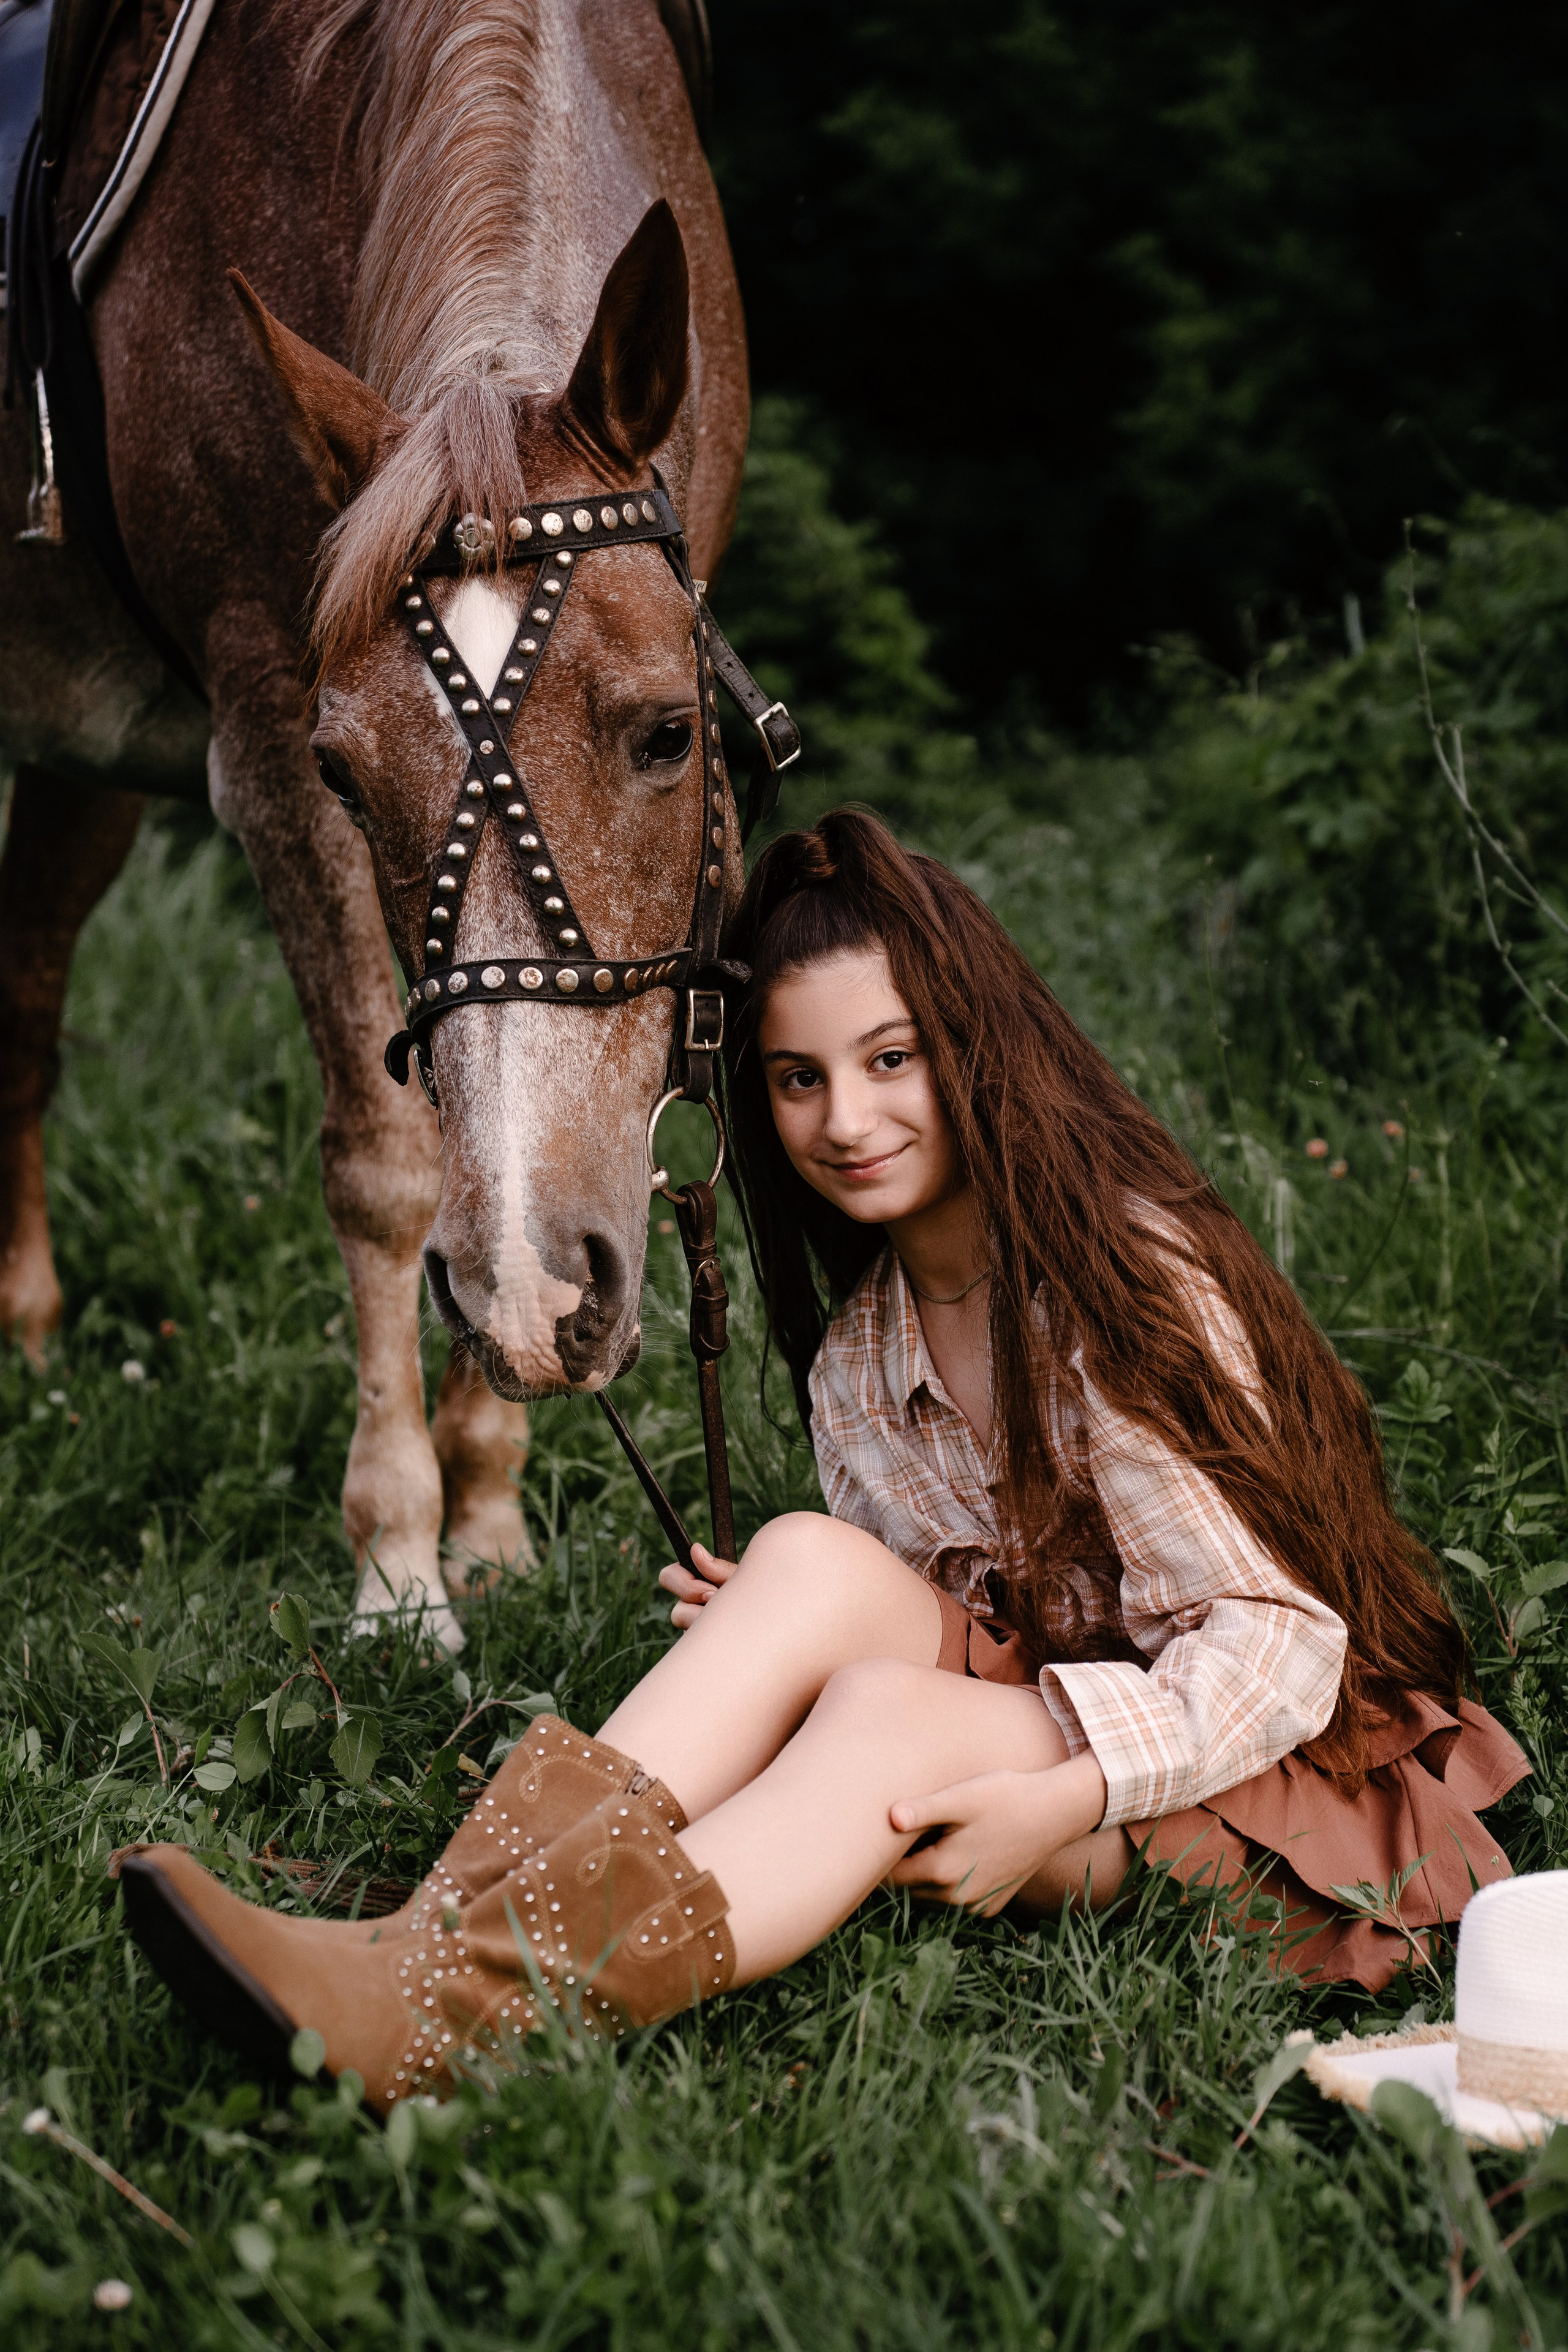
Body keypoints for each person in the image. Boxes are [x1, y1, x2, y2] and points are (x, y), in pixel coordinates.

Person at [120, 811, 1527, 2113]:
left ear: (977, 1044)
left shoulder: (1117, 1291)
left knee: (877, 1717)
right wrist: (776, 1628)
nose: (844, 1122)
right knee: (802, 1560)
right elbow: (945, 1601)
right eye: (798, 1080)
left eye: (891, 1059)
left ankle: (461, 2014)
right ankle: (420, 1941)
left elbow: (1276, 1643)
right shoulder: (866, 1343)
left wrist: (1057, 1796)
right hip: (1062, 1700)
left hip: (1268, 1787)